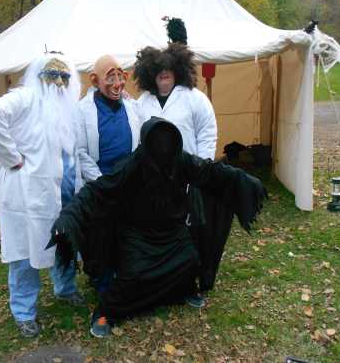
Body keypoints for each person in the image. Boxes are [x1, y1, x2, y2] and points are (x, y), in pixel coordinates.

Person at [48, 117, 267, 338]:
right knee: (132, 277)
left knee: (190, 261)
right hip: (138, 235)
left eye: (168, 141)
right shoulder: (132, 165)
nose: (163, 147)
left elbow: (210, 172)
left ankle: (183, 291)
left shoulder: (181, 160)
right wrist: (67, 220)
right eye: (158, 142)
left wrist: (246, 181)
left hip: (173, 232)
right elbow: (95, 192)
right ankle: (106, 313)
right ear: (147, 143)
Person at [0, 53, 84, 338]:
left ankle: (65, 288)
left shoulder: (68, 108)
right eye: (52, 75)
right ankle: (24, 311)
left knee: (65, 243)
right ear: (39, 76)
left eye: (64, 76)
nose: (58, 82)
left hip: (63, 191)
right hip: (28, 194)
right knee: (25, 252)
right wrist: (11, 157)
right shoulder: (25, 97)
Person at [134, 43, 222, 303]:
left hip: (187, 175)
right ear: (150, 74)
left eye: (168, 71)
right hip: (154, 180)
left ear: (178, 71)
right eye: (159, 72)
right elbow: (136, 139)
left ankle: (189, 284)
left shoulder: (194, 97)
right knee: (163, 231)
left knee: (190, 233)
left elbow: (207, 131)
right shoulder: (143, 102)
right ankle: (162, 280)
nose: (164, 76)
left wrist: (201, 165)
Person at [77, 55, 142, 293]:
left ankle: (126, 276)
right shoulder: (83, 111)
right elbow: (81, 152)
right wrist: (103, 182)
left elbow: (142, 141)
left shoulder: (131, 105)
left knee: (128, 232)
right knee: (101, 235)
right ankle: (103, 282)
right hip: (100, 185)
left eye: (120, 77)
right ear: (95, 81)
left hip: (129, 183)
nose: (117, 84)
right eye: (110, 78)